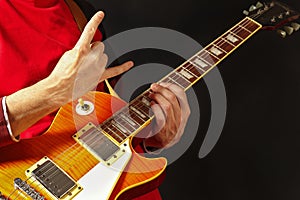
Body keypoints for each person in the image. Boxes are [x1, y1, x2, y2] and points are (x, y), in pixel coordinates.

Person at [0, 0, 190, 199]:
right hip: (15, 187)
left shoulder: (80, 12)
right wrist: (53, 91)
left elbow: (105, 118)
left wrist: (149, 136)